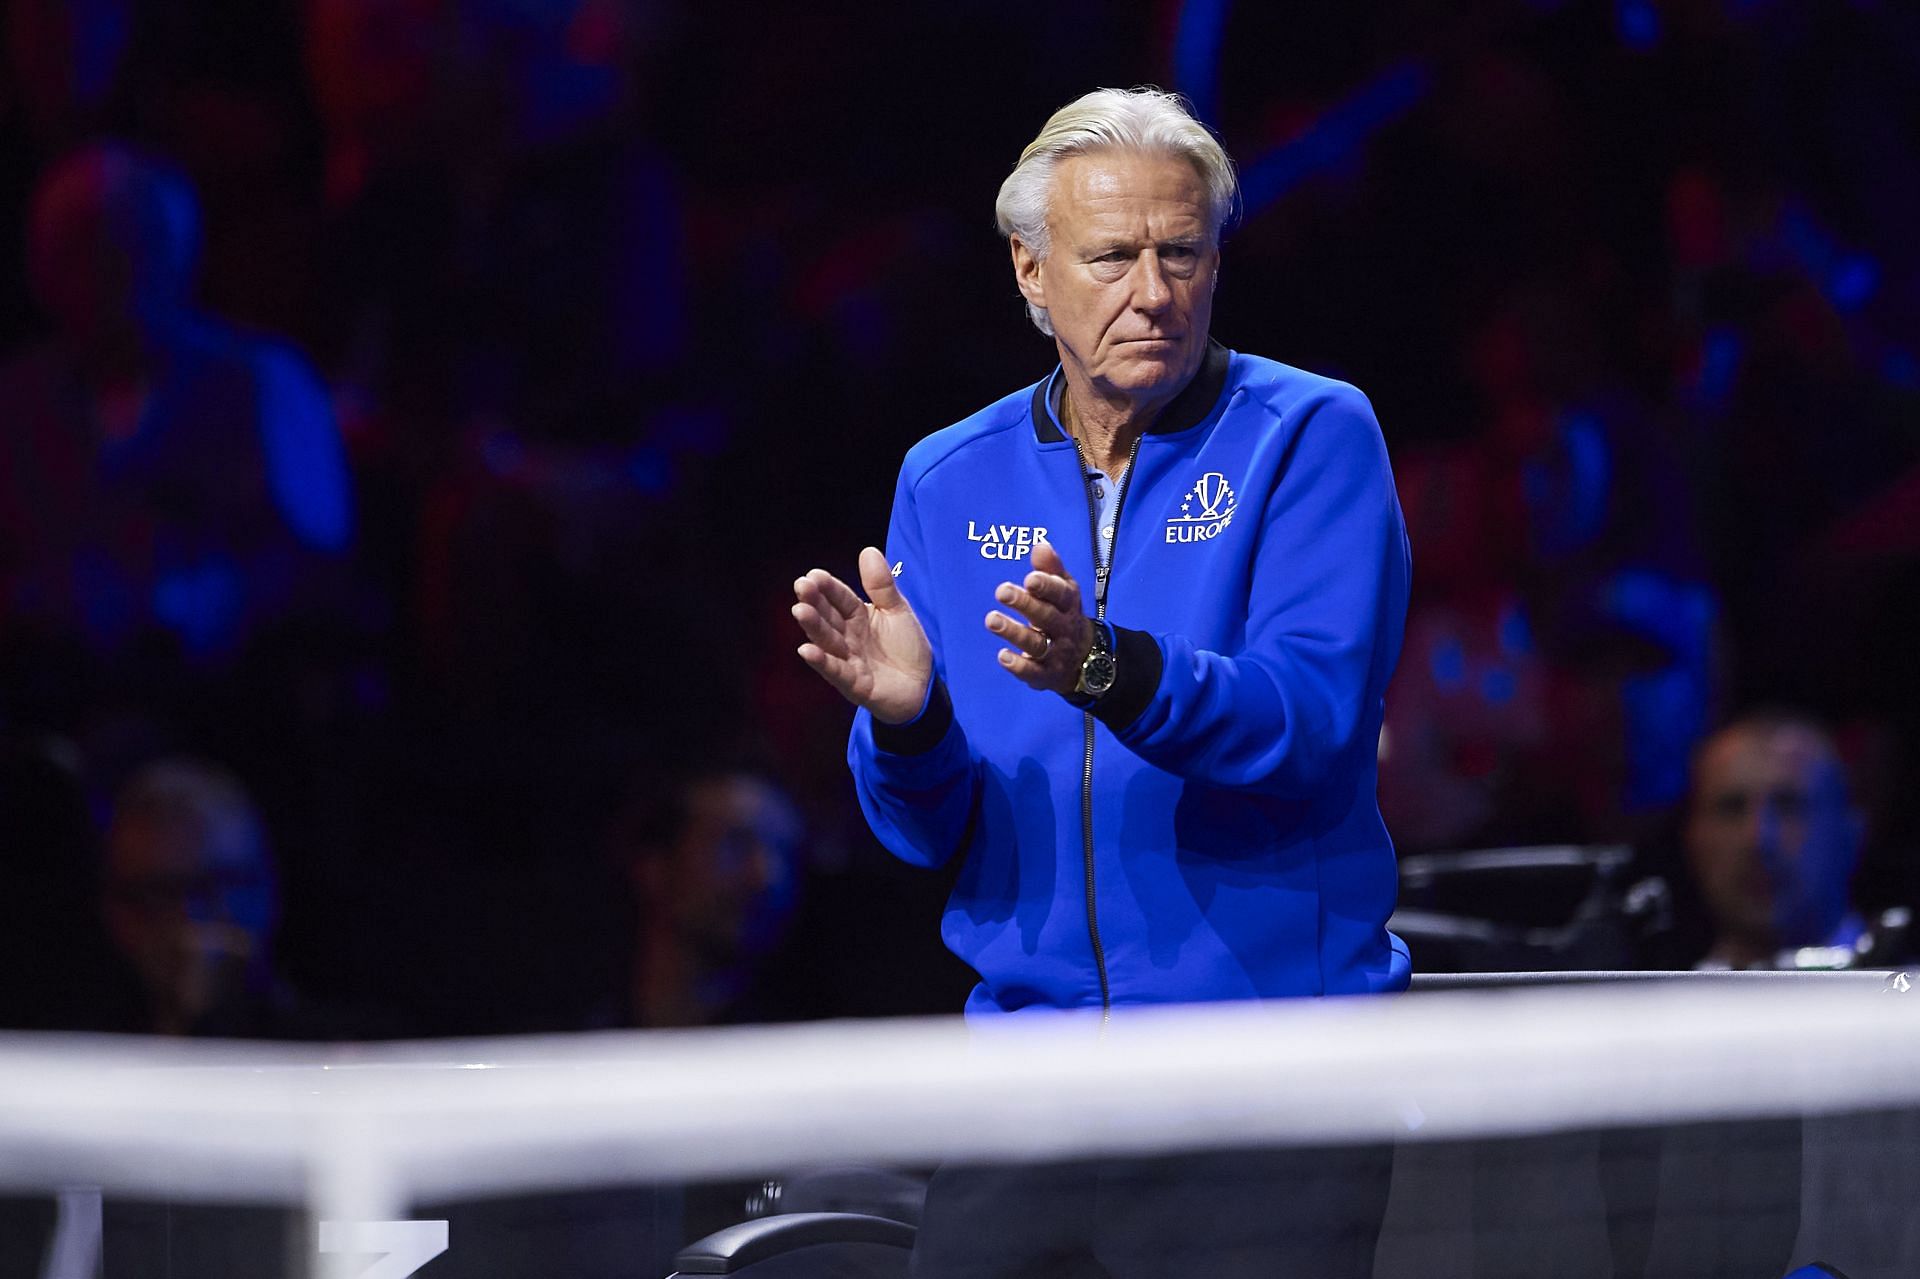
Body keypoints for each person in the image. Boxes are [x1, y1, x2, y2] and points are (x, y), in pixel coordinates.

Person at [790, 86, 1409, 1277]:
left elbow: (1313, 724)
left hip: (1271, 1082)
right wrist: (911, 727)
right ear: (1031, 272)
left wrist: (1107, 668)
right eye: (1113, 256)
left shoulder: (1314, 436)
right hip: (1035, 1084)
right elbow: (929, 838)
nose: (1154, 291)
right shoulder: (947, 476)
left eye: (1183, 253)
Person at [1684, 711, 1865, 970]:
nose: (1758, 839)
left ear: (1850, 833)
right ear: (1693, 838)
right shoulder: (1649, 1006)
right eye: (1731, 808)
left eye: (1788, 805)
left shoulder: (1909, 998)